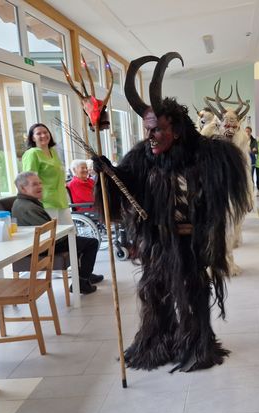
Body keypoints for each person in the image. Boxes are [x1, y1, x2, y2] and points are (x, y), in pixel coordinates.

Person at [92, 53, 250, 372]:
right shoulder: (143, 155)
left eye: (157, 131)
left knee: (192, 291)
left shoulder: (206, 154)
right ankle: (157, 343)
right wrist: (107, 174)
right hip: (158, 242)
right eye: (147, 131)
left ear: (176, 130)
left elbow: (229, 177)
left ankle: (195, 344)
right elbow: (125, 186)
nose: (150, 137)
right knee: (155, 292)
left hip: (191, 242)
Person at [11, 172, 103, 294]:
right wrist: (66, 236)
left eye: (40, 183)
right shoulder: (29, 208)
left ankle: (83, 275)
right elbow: (48, 232)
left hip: (41, 242)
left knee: (78, 241)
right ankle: (82, 281)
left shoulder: (25, 203)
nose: (40, 187)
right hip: (43, 246)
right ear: (23, 188)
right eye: (34, 184)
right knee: (91, 243)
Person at [22, 123, 71, 224]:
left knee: (69, 231)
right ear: (33, 138)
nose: (43, 135)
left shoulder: (53, 151)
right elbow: (29, 179)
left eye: (45, 132)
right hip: (45, 202)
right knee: (53, 232)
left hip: (60, 200)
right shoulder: (32, 153)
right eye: (38, 133)